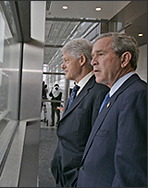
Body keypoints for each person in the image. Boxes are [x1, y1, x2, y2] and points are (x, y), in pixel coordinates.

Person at [77, 32, 147, 187]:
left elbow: (131, 170)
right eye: (92, 56)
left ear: (124, 59)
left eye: (100, 54)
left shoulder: (136, 95)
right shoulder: (114, 95)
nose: (93, 62)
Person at [51, 38, 109, 187]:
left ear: (82, 59)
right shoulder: (77, 90)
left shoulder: (99, 91)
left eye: (66, 60)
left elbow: (98, 143)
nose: (63, 65)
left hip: (78, 177)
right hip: (63, 172)